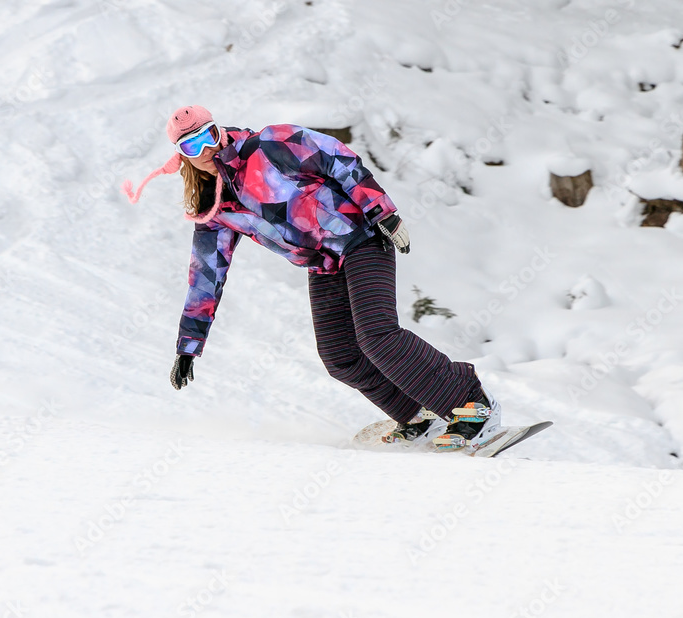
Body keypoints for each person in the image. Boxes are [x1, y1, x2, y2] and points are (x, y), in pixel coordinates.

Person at [122, 105, 502, 451]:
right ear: (181, 157)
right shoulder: (214, 208)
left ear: (219, 131)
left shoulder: (271, 144)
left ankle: (471, 403)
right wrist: (188, 346)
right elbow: (206, 275)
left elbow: (340, 158)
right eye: (192, 146)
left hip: (360, 238)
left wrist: (384, 212)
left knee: (377, 335)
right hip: (323, 264)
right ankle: (416, 416)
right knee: (340, 356)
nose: (205, 149)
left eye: (209, 135)